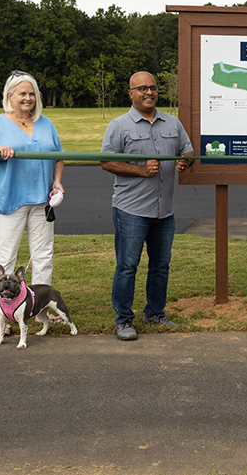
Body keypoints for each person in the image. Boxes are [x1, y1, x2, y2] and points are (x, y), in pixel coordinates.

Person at [101, 71, 194, 341]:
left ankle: (154, 313)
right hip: (131, 210)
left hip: (164, 211)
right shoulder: (119, 125)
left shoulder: (173, 123)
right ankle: (123, 320)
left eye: (153, 87)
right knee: (127, 265)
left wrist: (186, 162)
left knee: (161, 265)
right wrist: (140, 170)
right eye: (142, 88)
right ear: (131, 93)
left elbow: (187, 151)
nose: (149, 92)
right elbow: (107, 162)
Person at [0, 71, 65, 329]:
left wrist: (57, 182)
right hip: (9, 199)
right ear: (10, 96)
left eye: (31, 93)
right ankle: (2, 314)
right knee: (5, 257)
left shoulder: (46, 123)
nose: (27, 98)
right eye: (22, 93)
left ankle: (41, 309)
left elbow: (58, 156)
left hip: (42, 200)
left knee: (43, 256)